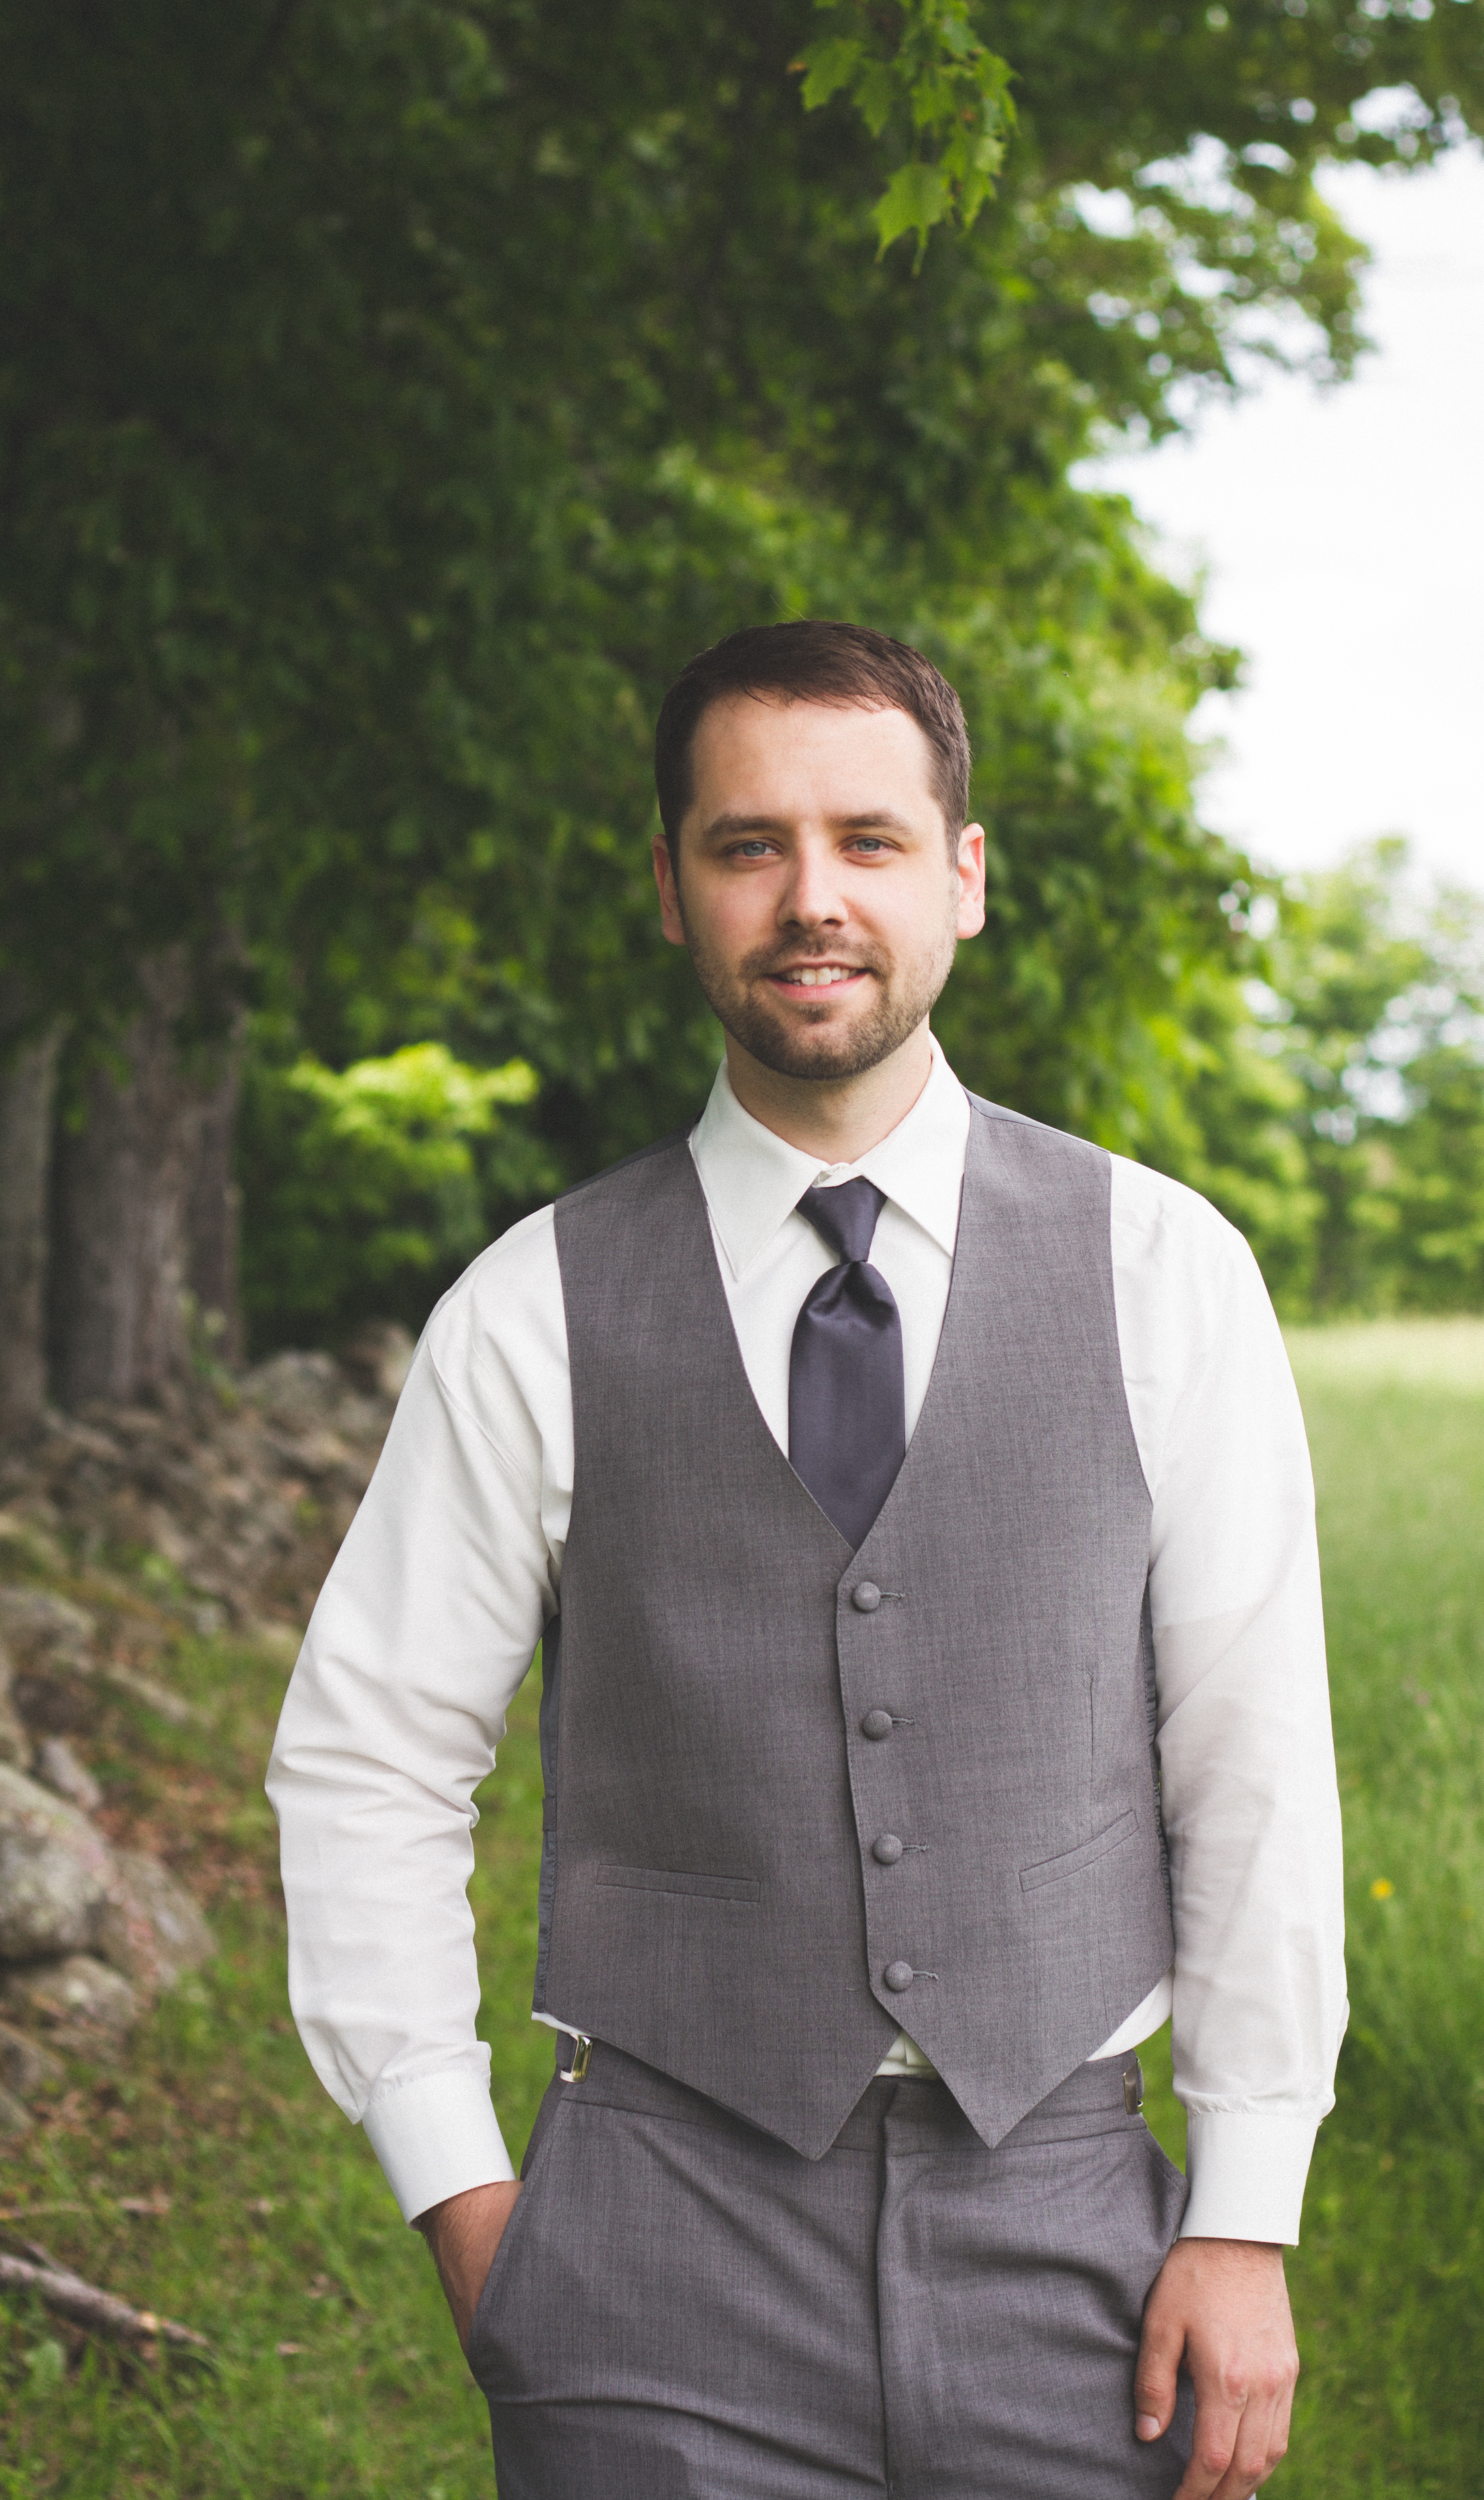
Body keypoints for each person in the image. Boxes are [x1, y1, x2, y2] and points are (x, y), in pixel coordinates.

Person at [268, 620, 1346, 2500]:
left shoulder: (1162, 1273)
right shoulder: (531, 1309)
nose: (810, 898)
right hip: (650, 2244)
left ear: (963, 877)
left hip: (1070, 2217)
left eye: (864, 837)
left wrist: (1241, 2211)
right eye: (746, 844)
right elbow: (366, 1757)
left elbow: (1250, 1761)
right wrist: (465, 2194)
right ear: (673, 891)